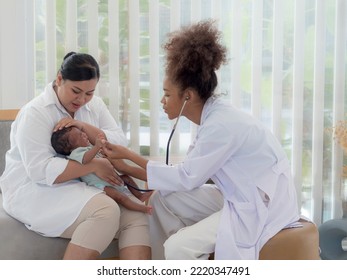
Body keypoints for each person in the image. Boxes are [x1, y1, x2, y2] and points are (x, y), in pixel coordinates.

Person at [101, 19, 300, 260]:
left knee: (179, 247)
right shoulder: (211, 117)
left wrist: (127, 159)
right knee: (163, 199)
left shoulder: (221, 125)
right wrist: (129, 162)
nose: (162, 102)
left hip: (260, 207)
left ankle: (182, 252)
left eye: (166, 95)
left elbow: (186, 178)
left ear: (188, 96)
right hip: (239, 195)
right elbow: (187, 173)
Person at [0, 52, 151, 259]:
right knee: (105, 210)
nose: (82, 99)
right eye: (76, 91)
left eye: (89, 93)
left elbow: (118, 140)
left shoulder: (94, 105)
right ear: (59, 79)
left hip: (82, 183)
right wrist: (93, 166)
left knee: (136, 216)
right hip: (35, 188)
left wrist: (82, 125)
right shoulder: (35, 112)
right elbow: (39, 170)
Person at [51, 125, 153, 214]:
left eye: (82, 132)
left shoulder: (88, 148)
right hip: (100, 185)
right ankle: (143, 209)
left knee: (126, 178)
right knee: (120, 197)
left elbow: (96, 154)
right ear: (71, 146)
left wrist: (102, 148)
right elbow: (86, 159)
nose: (85, 134)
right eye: (80, 136)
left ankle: (139, 195)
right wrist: (96, 146)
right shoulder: (76, 153)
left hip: (110, 179)